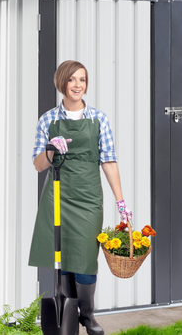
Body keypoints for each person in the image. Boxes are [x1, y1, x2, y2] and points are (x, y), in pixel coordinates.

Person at [29, 60, 132, 335]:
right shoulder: (48, 119)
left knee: (85, 257)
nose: (78, 85)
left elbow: (109, 161)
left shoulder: (99, 119)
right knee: (63, 258)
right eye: (73, 80)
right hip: (58, 196)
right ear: (62, 82)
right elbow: (38, 164)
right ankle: (67, 312)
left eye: (82, 80)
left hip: (88, 198)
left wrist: (121, 203)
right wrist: (51, 149)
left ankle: (87, 315)